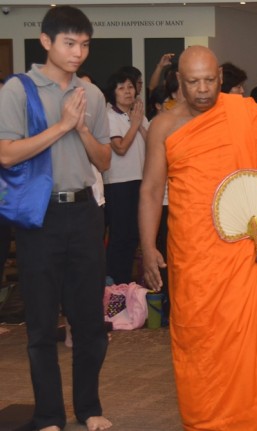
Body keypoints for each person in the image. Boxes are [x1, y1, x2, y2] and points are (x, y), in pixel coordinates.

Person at [139, 46, 257, 431]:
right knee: (198, 336)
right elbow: (150, 190)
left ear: (221, 78)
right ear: (178, 83)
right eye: (193, 82)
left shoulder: (246, 115)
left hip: (242, 249)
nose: (203, 90)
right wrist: (148, 246)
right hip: (192, 251)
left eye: (210, 80)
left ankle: (253, 416)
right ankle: (207, 417)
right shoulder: (164, 126)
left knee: (247, 337)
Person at [0, 5, 112, 431]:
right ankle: (49, 414)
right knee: (42, 324)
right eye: (69, 43)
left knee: (89, 324)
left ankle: (89, 409)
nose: (78, 53)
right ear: (46, 42)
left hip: (85, 213)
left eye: (84, 44)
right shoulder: (19, 89)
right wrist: (63, 125)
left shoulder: (93, 95)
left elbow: (104, 160)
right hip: (39, 217)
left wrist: (82, 129)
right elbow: (6, 153)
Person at [103, 70, 148, 284]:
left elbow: (152, 144)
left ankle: (126, 287)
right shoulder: (109, 116)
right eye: (121, 88)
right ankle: (113, 287)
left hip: (139, 181)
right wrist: (134, 124)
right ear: (113, 93)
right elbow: (120, 147)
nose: (127, 91)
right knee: (119, 237)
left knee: (133, 237)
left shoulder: (138, 114)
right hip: (118, 184)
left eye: (130, 87)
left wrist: (138, 122)